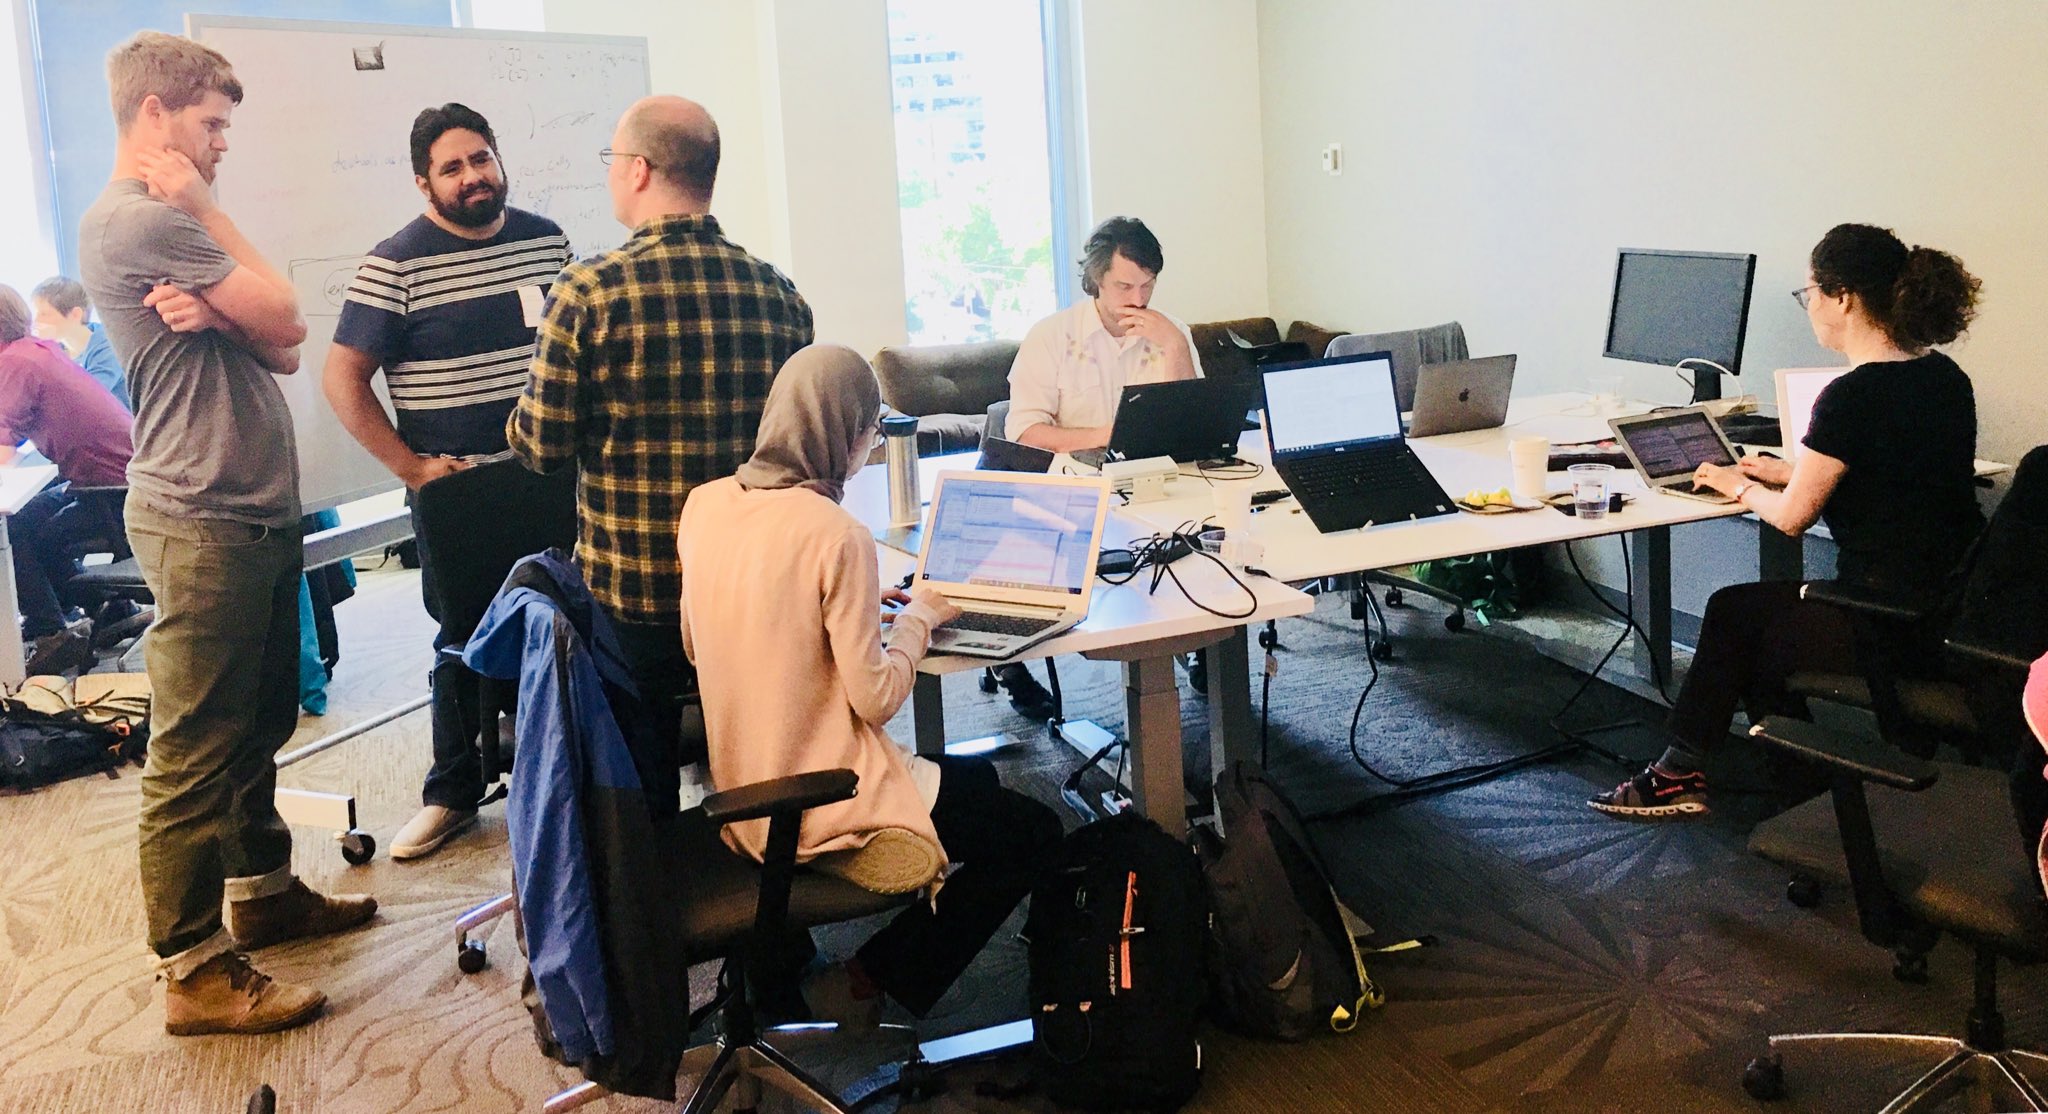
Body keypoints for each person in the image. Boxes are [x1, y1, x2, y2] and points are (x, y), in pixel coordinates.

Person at [75, 30, 374, 1036]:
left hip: (242, 507)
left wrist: (232, 317)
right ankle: (193, 970)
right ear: (154, 115)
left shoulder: (164, 220)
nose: (220, 145)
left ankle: (263, 890)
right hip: (200, 512)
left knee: (256, 723)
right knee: (195, 746)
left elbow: (284, 350)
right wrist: (208, 222)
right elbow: (288, 309)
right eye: (210, 124)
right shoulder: (140, 221)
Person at [677, 343, 1061, 1021]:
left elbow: (698, 642)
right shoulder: (834, 533)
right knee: (1035, 829)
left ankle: (838, 971)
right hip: (820, 798)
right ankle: (868, 978)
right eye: (870, 433)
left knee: (983, 784)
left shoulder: (705, 505)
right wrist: (917, 617)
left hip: (739, 781)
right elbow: (878, 700)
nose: (869, 448)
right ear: (847, 436)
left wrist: (832, 609)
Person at [1592, 223, 1985, 819]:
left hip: (1884, 621)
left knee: (1733, 615)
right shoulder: (1945, 379)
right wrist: (1791, 469)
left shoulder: (1850, 396)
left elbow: (1792, 519)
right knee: (1756, 629)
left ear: (1843, 297)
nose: (1811, 310)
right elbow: (1892, 472)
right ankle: (1808, 795)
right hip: (1950, 608)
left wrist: (1739, 483)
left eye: (1810, 295)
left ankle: (1684, 774)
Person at [508, 94, 812, 809]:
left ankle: (651, 890)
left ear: (638, 170)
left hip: (633, 602)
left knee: (632, 797)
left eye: (613, 161)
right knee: (756, 767)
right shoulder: (781, 296)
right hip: (751, 593)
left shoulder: (585, 292)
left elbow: (542, 449)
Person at [324, 103, 573, 860]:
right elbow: (343, 379)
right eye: (453, 167)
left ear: (499, 160)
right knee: (462, 639)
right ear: (424, 183)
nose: (473, 177)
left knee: (567, 624)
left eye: (482, 159)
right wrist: (410, 468)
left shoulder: (546, 241)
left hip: (551, 477)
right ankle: (453, 791)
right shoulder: (394, 263)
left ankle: (561, 779)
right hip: (459, 491)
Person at [996, 216, 1206, 717]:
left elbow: (1194, 418)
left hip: (1156, 482)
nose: (1137, 298)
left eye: (1148, 285)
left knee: (1201, 534)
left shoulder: (1169, 333)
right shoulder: (1052, 337)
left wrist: (1176, 348)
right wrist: (1110, 435)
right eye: (1124, 286)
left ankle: (1194, 642)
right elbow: (1024, 431)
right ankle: (1009, 661)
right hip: (1074, 485)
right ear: (1095, 281)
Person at [0, 285, 134, 673]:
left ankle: (51, 631)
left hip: (111, 492)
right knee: (35, 515)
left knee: (15, 526)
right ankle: (104, 608)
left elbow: (3, 451)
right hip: (115, 482)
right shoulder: (35, 352)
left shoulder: (14, 364)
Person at [29, 275, 130, 405]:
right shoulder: (58, 350)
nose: (36, 321)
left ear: (75, 314)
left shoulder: (107, 346)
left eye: (44, 314)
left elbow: (85, 399)